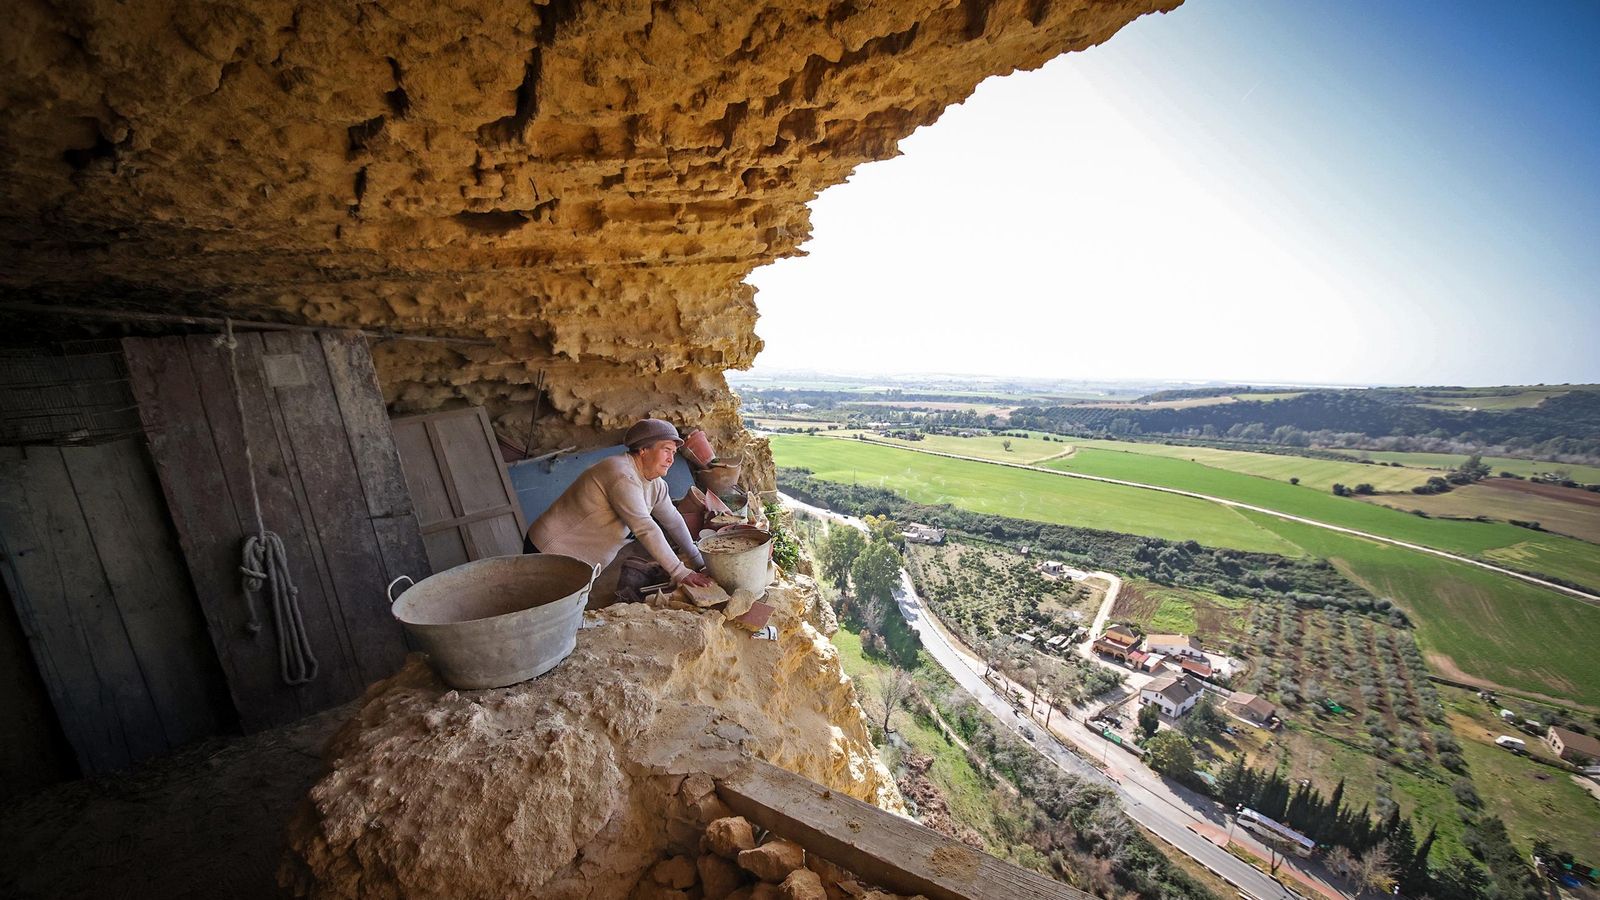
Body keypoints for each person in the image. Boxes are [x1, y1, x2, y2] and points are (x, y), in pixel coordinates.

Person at [525, 418, 714, 587]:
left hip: (580, 562)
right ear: (643, 450)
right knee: (544, 616)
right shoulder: (621, 474)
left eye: (674, 452)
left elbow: (673, 520)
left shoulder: (655, 484)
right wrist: (680, 572)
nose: (671, 459)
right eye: (666, 450)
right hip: (550, 552)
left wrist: (698, 561)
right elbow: (645, 528)